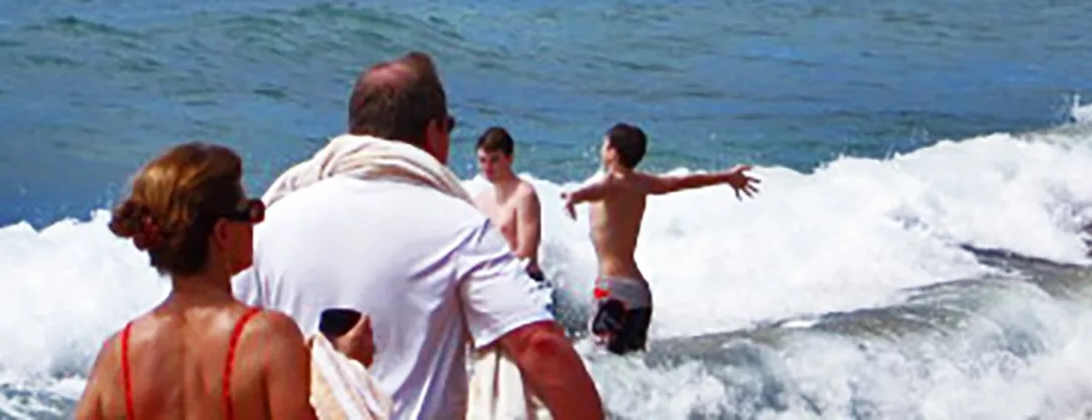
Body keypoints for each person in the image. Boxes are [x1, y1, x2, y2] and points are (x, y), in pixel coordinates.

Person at [239, 52, 603, 420]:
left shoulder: (272, 222)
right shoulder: (458, 226)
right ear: (434, 132)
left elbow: (226, 348)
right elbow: (538, 344)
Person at [76, 142, 317, 420]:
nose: (256, 224)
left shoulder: (118, 354)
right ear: (223, 232)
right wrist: (338, 369)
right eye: (251, 212)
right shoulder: (267, 337)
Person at [561, 123, 759, 355]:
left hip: (610, 290)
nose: (601, 150)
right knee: (633, 363)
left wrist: (574, 196)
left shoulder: (612, 182)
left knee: (601, 359)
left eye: (604, 145)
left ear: (612, 153)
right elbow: (683, 182)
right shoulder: (642, 183)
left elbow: (596, 190)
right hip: (639, 293)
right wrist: (726, 177)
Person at [472, 126, 544, 282]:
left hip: (525, 280)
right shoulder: (481, 200)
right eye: (483, 160)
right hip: (494, 278)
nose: (488, 168)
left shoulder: (524, 195)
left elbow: (526, 253)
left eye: (494, 160)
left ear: (510, 158)